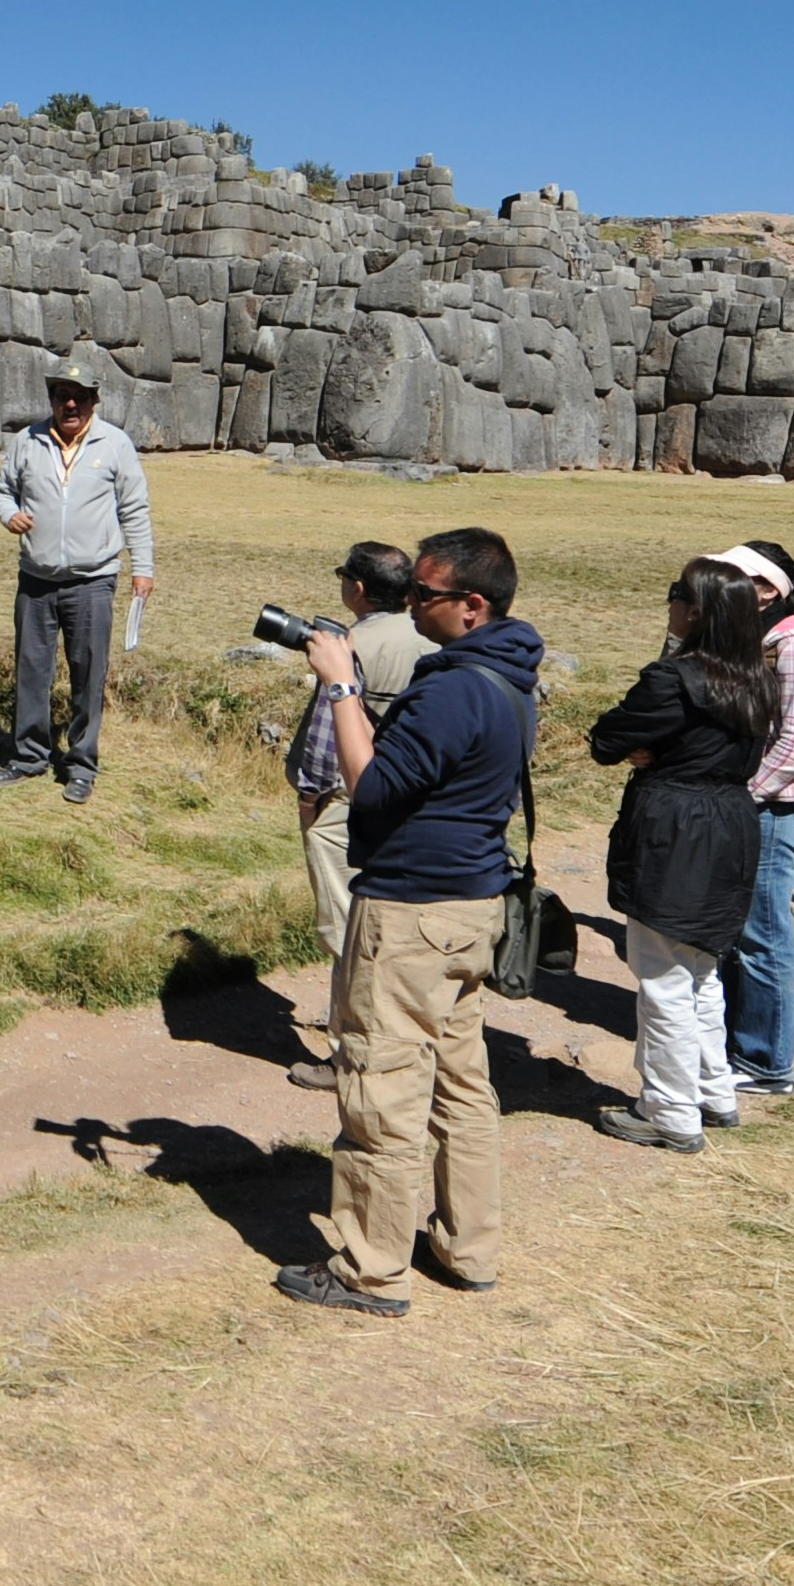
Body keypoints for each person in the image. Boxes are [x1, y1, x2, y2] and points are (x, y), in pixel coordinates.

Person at [276, 526, 545, 1318]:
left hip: (409, 915)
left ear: (473, 604)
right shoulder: (507, 673)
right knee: (461, 1087)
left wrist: (340, 688)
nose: (412, 604)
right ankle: (468, 1247)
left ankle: (369, 1268)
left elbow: (371, 788)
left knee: (382, 1089)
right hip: (470, 908)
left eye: (425, 594)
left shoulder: (454, 689)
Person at [583, 561, 775, 1152]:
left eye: (675, 596)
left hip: (677, 827)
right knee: (701, 969)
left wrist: (647, 748)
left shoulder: (674, 679)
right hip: (732, 821)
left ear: (695, 611)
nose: (667, 604)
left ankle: (670, 1111)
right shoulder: (758, 678)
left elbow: (606, 738)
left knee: (663, 977)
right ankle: (713, 1091)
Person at [286, 541, 429, 1093]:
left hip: (349, 804)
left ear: (358, 589)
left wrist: (310, 801)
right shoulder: (429, 635)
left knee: (348, 933)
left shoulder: (349, 649)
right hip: (413, 800)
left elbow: (327, 745)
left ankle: (349, 1054)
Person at [0, 345, 153, 804]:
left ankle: (81, 765)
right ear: (52, 400)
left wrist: (143, 568)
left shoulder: (115, 444)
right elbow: (1, 490)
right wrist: (9, 514)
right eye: (63, 396)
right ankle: (29, 757)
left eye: (80, 396)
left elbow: (135, 509)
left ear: (94, 400)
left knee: (88, 675)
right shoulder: (27, 441)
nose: (71, 404)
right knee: (31, 672)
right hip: (36, 580)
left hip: (92, 581)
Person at [716, 540, 794, 1100]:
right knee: (741, 932)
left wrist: (744, 795)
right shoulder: (755, 640)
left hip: (773, 809)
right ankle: (739, 1043)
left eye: (732, 575)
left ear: (765, 590)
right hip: (752, 805)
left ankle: (766, 1061)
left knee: (764, 935)